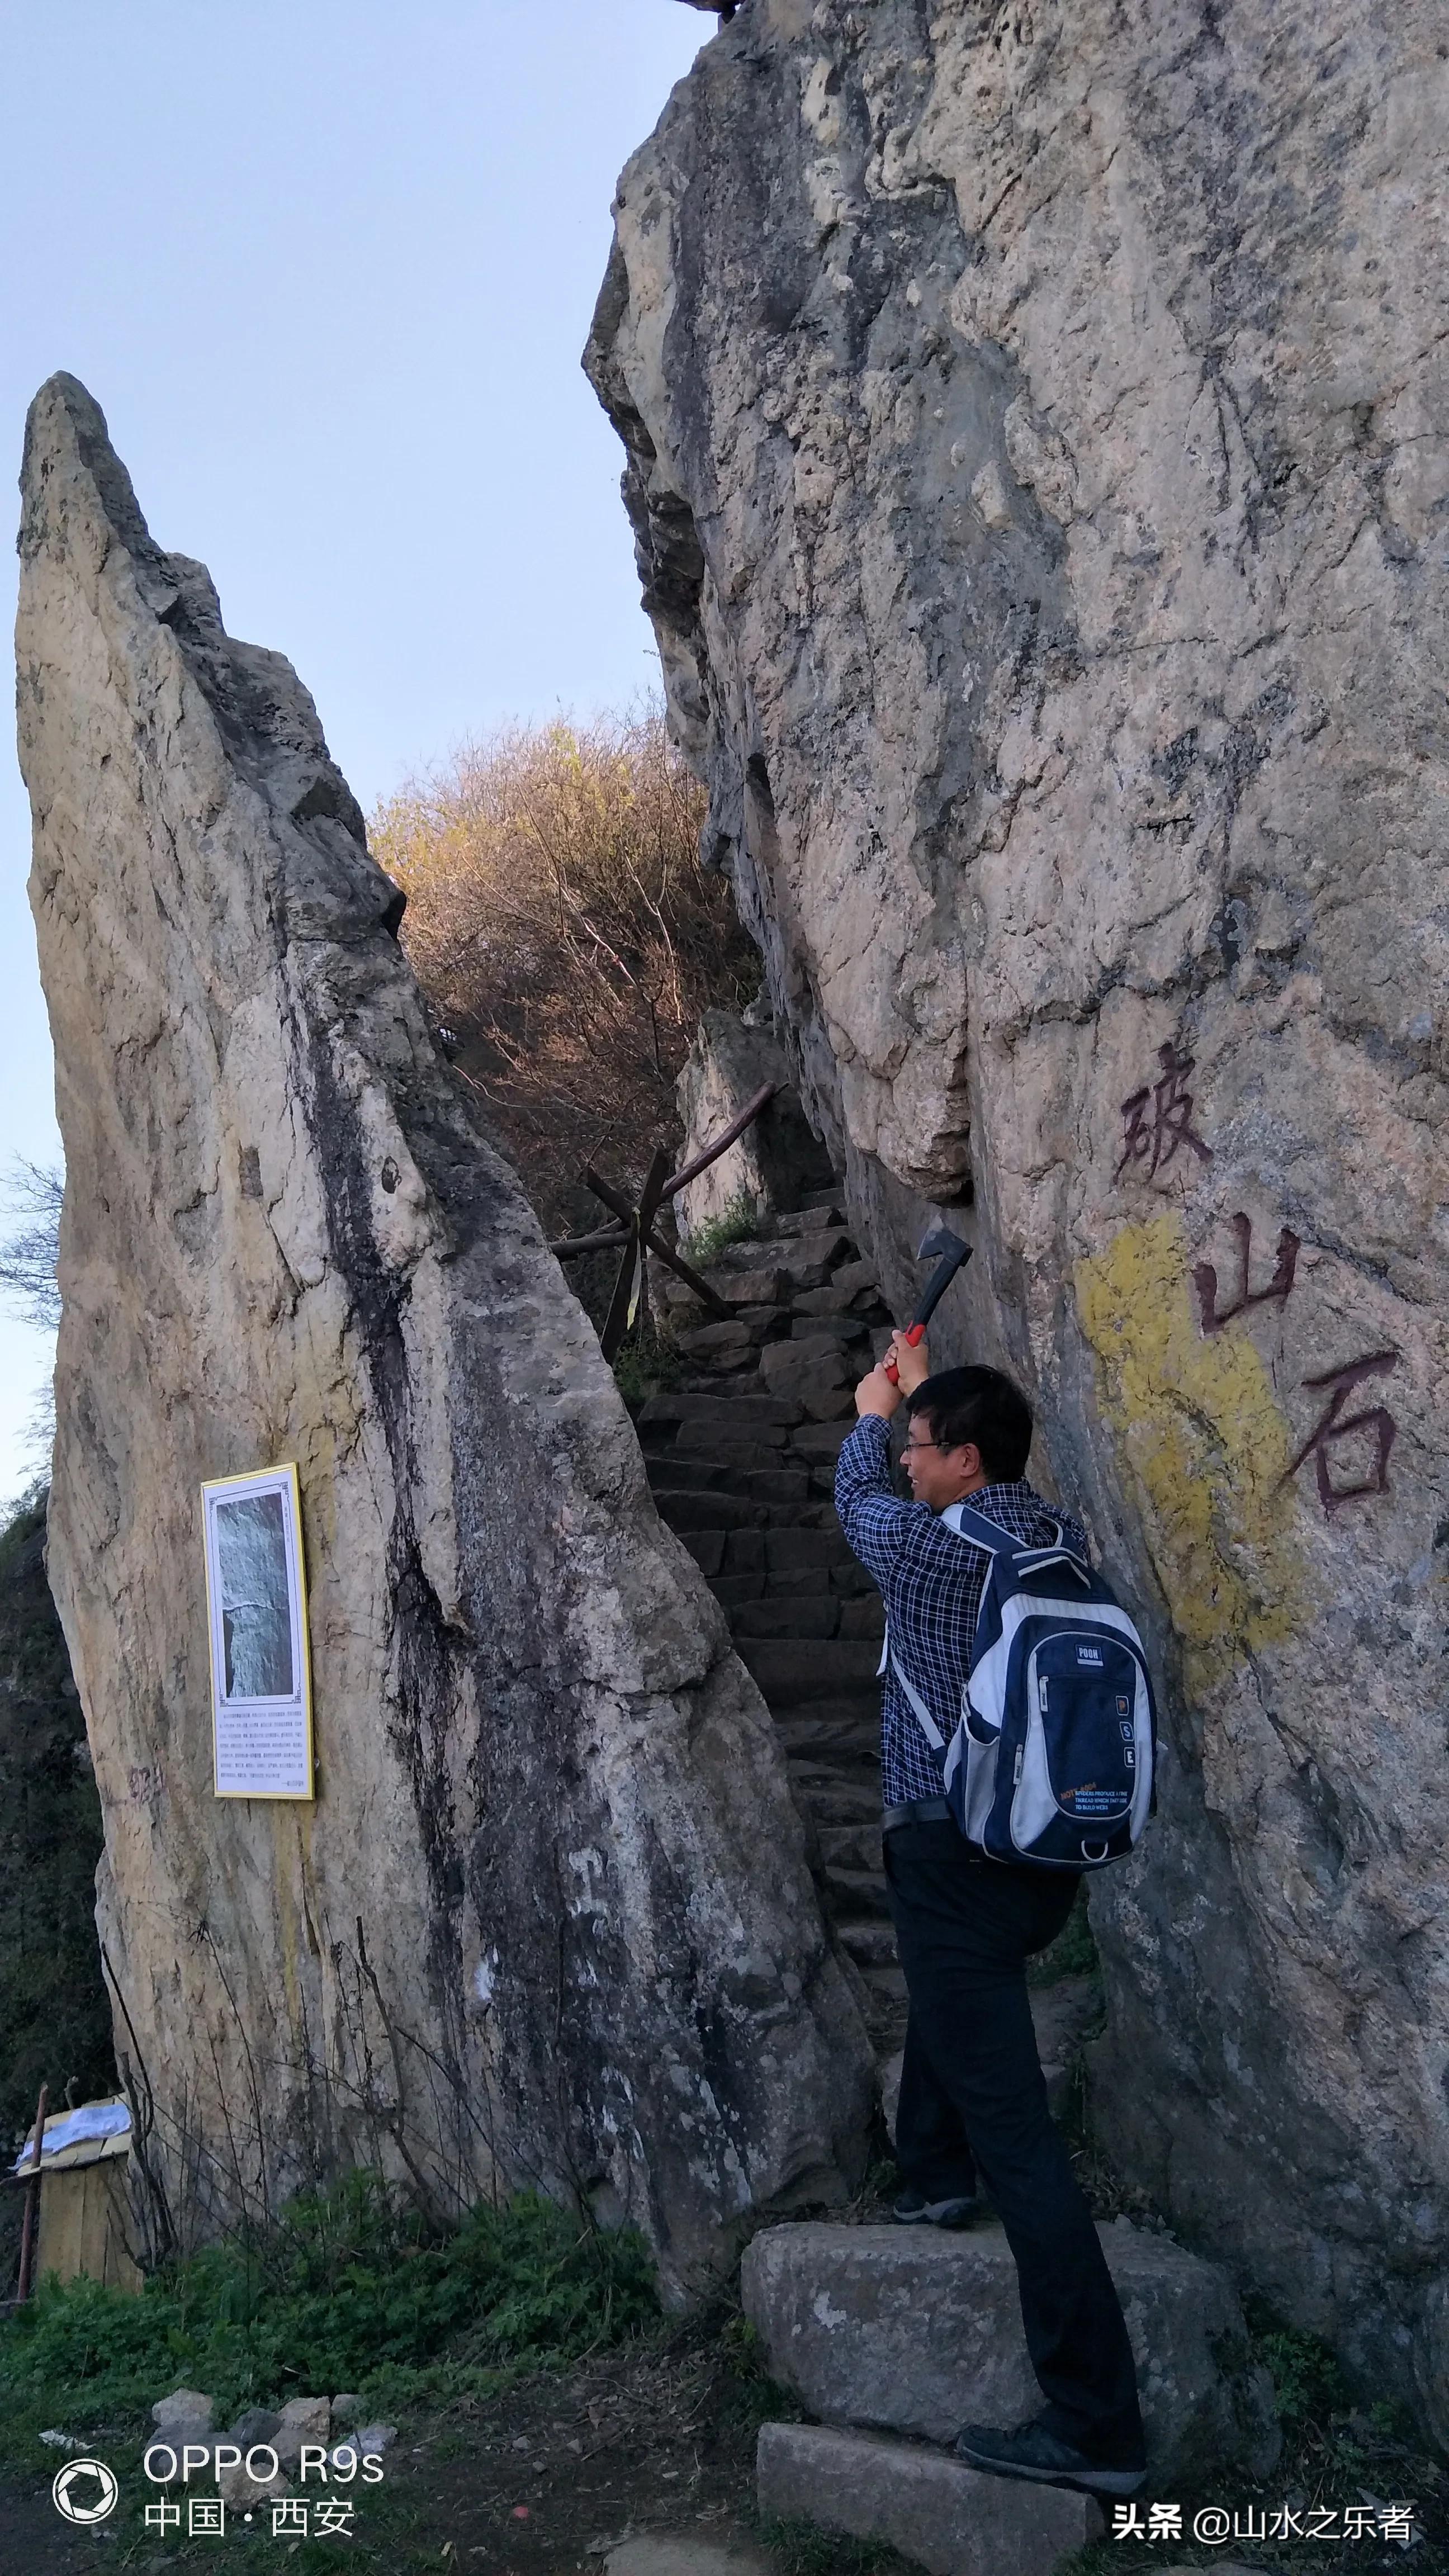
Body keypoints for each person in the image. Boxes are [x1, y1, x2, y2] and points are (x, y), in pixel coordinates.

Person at [834, 1334, 1147, 2501]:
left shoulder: (928, 1553)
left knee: (1023, 2140)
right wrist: (915, 1388)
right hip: (1044, 1855)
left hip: (951, 1850)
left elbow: (856, 1498)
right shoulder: (1052, 1538)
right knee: (954, 2002)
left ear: (965, 1461)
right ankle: (930, 2170)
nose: (909, 1463)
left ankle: (1097, 2421)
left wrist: (871, 1414)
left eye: (924, 1448)